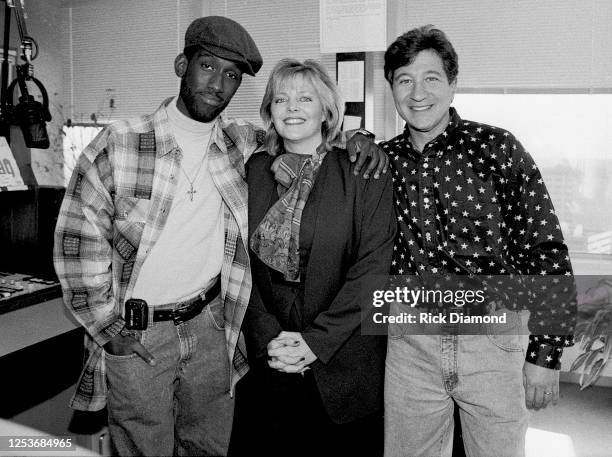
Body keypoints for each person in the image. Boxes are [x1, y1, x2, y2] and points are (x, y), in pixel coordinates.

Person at [53, 16, 385, 457]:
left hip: (214, 327)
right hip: (139, 331)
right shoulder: (119, 143)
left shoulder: (238, 144)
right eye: (207, 67)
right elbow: (78, 241)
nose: (218, 83)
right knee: (142, 447)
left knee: (211, 446)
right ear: (181, 65)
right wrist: (107, 328)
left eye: (232, 75)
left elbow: (309, 136)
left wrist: (361, 136)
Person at [380, 25, 576, 457]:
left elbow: (545, 250)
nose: (418, 93)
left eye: (431, 78)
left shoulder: (498, 148)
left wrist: (545, 355)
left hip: (493, 337)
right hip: (411, 342)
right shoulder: (381, 162)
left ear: (452, 83)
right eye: (404, 80)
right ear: (391, 87)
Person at [227, 59, 395, 457]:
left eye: (306, 98)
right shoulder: (250, 170)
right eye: (281, 99)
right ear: (269, 110)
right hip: (268, 359)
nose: (293, 107)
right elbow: (236, 259)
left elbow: (374, 266)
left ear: (327, 110)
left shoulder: (362, 169)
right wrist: (268, 335)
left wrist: (316, 342)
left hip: (344, 364)